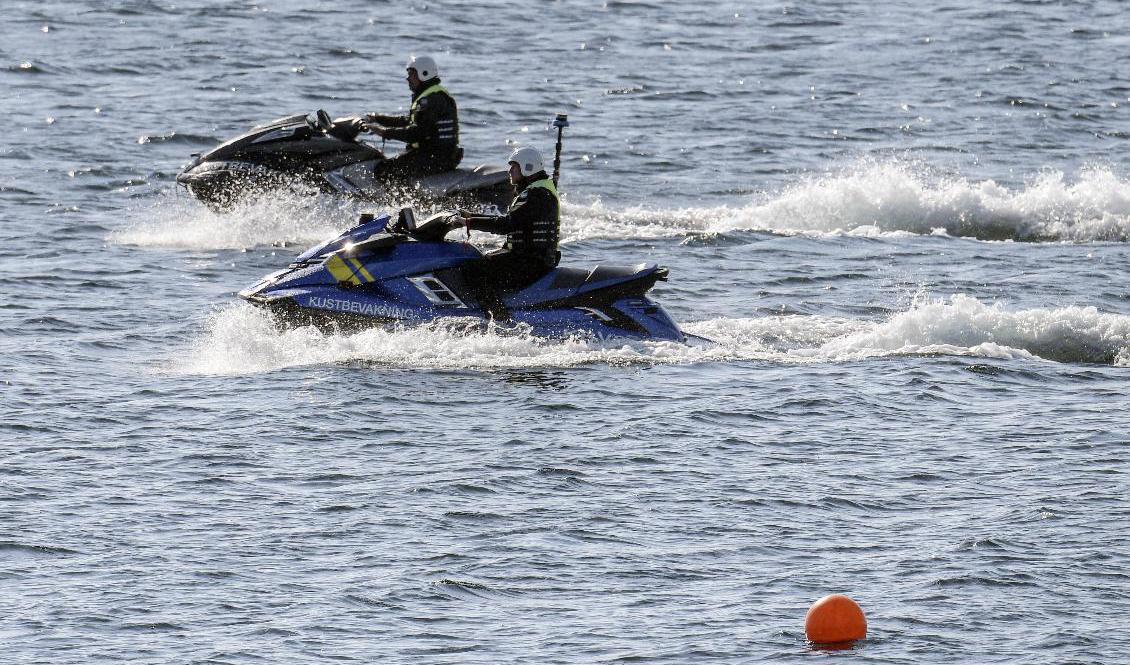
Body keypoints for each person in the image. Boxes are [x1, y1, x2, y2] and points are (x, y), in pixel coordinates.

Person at [451, 146, 560, 320]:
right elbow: (512, 220)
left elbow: (506, 224)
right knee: (477, 257)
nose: (509, 171)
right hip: (527, 257)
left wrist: (469, 222)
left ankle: (498, 316)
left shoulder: (537, 195)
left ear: (527, 168)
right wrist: (471, 216)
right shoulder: (536, 190)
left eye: (513, 167)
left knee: (472, 269)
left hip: (531, 262)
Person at [361, 55, 462, 183]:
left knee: (383, 171)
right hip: (435, 154)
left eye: (411, 74)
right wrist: (376, 118)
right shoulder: (429, 94)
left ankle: (404, 202)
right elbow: (408, 121)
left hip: (436, 156)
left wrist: (384, 132)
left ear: (424, 74)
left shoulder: (432, 99)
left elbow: (416, 133)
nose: (407, 78)